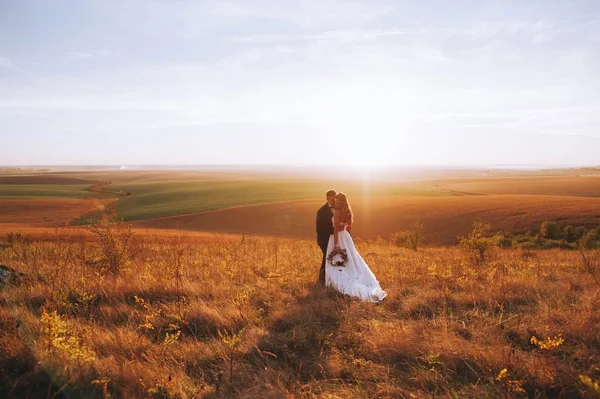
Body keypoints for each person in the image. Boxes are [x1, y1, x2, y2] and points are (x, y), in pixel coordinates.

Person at [325, 192, 387, 302]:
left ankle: (337, 282)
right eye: (336, 202)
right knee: (352, 258)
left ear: (342, 202)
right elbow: (348, 226)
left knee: (336, 259)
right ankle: (352, 273)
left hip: (337, 238)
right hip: (346, 236)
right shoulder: (347, 211)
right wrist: (344, 231)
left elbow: (335, 230)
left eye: (338, 202)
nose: (336, 204)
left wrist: (335, 244)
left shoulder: (337, 212)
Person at [316, 189, 336, 284]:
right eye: (331, 199)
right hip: (324, 240)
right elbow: (319, 229)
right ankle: (322, 279)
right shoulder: (321, 212)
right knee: (327, 258)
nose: (333, 201)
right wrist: (335, 231)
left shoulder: (339, 208)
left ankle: (333, 278)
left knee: (334, 258)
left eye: (334, 199)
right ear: (327, 199)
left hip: (335, 239)